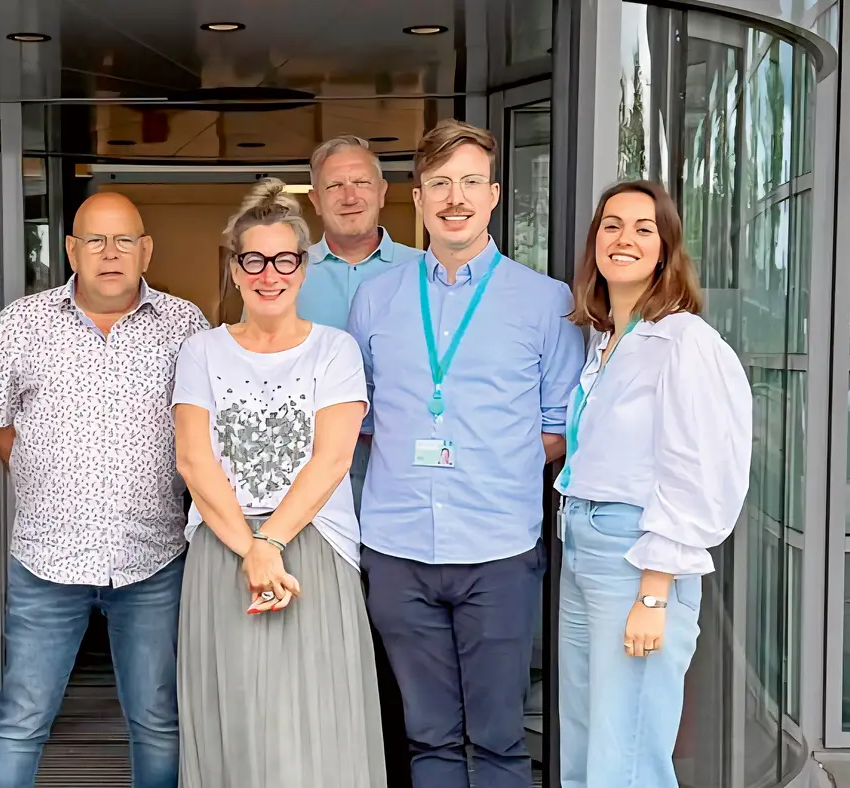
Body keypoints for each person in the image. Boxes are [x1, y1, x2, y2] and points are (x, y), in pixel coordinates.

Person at [347, 119, 584, 788]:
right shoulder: (375, 300)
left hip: (499, 551)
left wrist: (492, 461)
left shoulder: (546, 302)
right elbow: (361, 414)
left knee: (502, 740)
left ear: (495, 195)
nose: (456, 198)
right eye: (441, 184)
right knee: (428, 741)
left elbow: (562, 423)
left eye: (470, 183)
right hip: (397, 551)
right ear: (417, 198)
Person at [0, 192, 209, 788]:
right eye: (96, 241)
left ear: (146, 250)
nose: (111, 254)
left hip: (152, 560)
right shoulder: (24, 321)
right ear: (71, 250)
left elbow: (204, 428)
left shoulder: (186, 326)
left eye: (125, 240)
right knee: (21, 719)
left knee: (157, 720)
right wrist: (51, 478)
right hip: (47, 558)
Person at [173, 178, 387, 788]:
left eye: (285, 260)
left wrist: (270, 545)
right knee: (236, 715)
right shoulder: (201, 351)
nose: (270, 274)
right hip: (224, 549)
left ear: (303, 267)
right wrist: (250, 548)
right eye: (254, 260)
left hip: (314, 547)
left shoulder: (335, 350)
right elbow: (194, 460)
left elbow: (332, 459)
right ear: (235, 270)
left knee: (317, 720)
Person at [554, 180, 751, 788]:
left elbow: (701, 470)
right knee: (587, 745)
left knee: (630, 754)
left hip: (637, 556)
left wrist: (656, 591)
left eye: (644, 228)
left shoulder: (684, 341)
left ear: (665, 249)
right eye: (612, 225)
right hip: (583, 543)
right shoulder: (605, 339)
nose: (625, 239)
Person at [301, 133, 420, 787]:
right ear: (316, 200)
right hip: (312, 498)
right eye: (335, 185)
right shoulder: (285, 275)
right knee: (318, 644)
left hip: (397, 493)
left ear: (383, 194)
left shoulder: (422, 274)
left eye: (361, 183)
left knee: (393, 645)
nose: (349, 195)